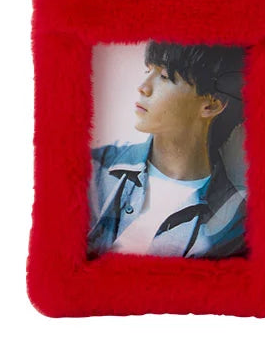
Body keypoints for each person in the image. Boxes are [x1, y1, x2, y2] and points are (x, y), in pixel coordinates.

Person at [87, 41, 248, 259]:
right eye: (148, 70)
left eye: (164, 76)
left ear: (212, 104)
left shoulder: (233, 223)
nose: (143, 87)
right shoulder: (94, 168)